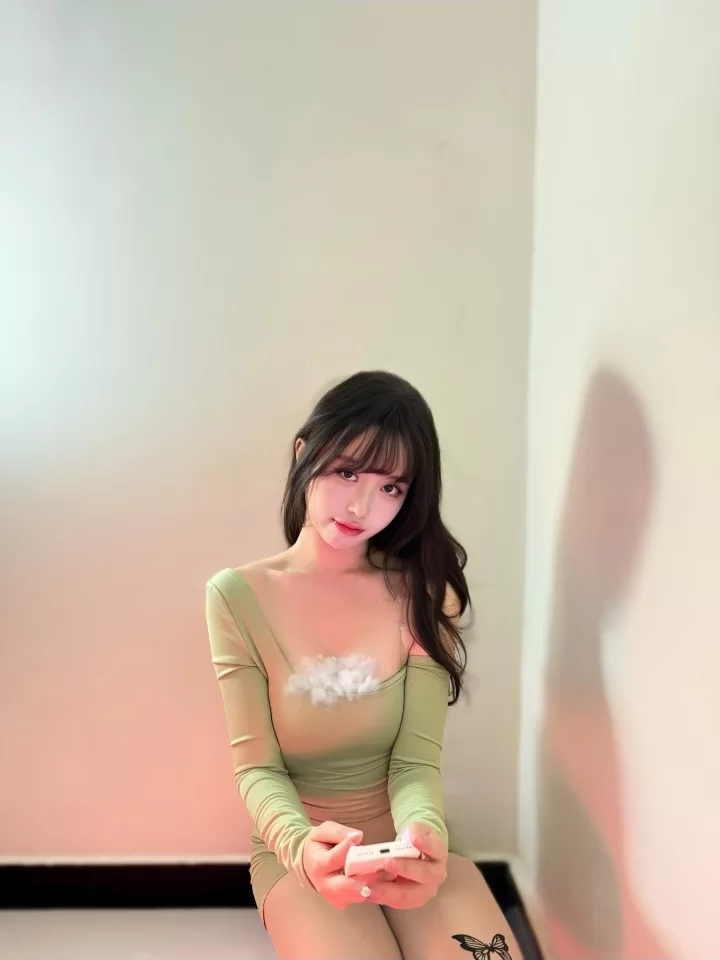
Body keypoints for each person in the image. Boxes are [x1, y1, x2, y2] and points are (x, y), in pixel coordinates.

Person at [205, 371, 523, 960]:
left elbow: (414, 761)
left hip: (408, 840)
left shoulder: (423, 594)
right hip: (300, 848)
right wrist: (301, 849)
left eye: (391, 487)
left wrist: (423, 831)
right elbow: (258, 768)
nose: (361, 506)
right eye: (347, 472)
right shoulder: (237, 597)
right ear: (305, 453)